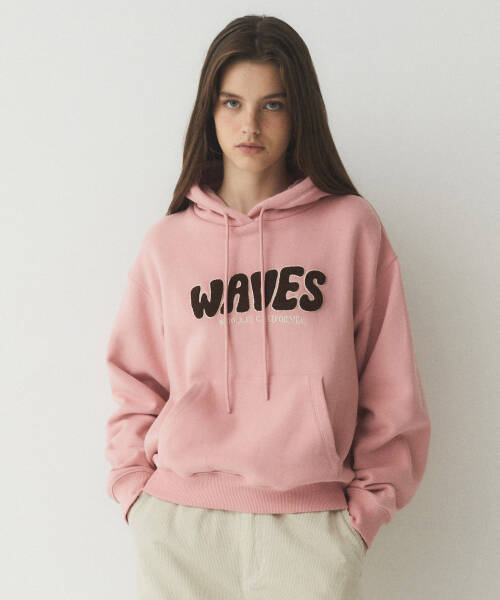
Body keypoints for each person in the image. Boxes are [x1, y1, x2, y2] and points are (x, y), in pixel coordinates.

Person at [104, 14, 431, 600]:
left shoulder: (350, 228)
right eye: (232, 103)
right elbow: (134, 382)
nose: (249, 124)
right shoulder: (167, 245)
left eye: (272, 105)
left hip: (311, 534)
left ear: (299, 112)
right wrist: (136, 496)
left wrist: (361, 518)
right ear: (210, 111)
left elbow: (391, 385)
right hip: (181, 532)